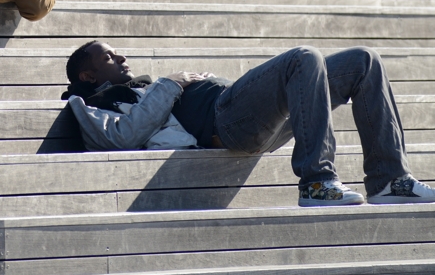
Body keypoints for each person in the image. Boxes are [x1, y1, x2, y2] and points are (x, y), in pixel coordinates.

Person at [62, 40, 435, 207]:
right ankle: (317, 183)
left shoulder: (143, 89)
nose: (122, 56)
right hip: (224, 122)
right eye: (109, 57)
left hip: (243, 115)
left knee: (363, 60)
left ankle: (389, 180)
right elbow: (122, 138)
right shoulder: (91, 104)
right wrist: (172, 83)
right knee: (303, 58)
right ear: (89, 75)